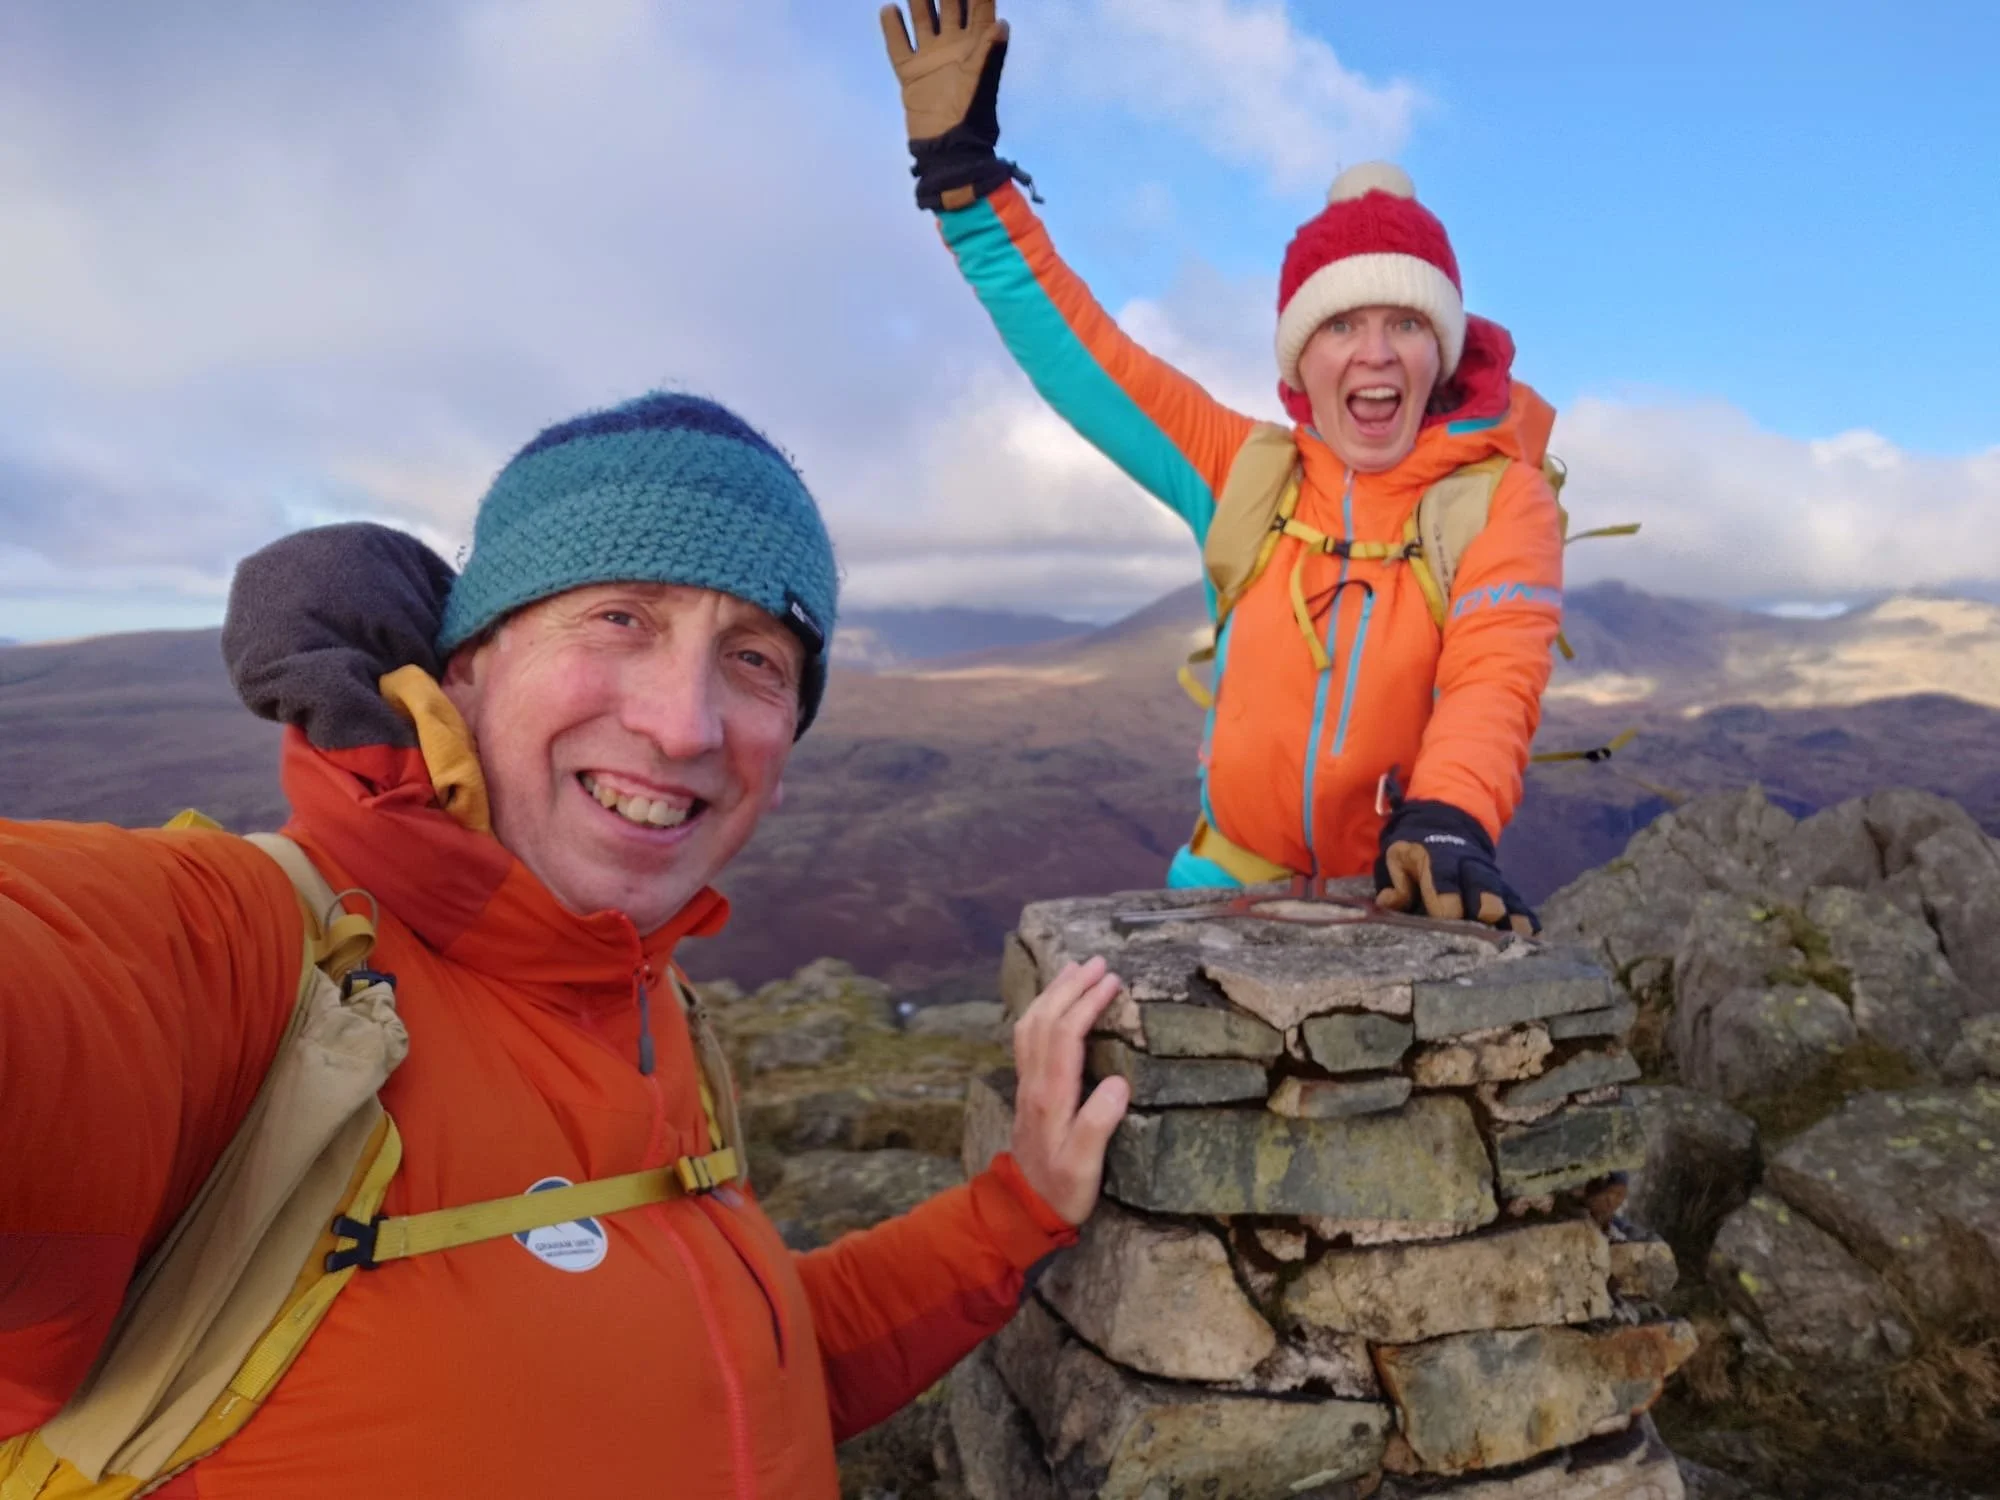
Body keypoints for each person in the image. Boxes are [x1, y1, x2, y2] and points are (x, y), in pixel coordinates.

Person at [0, 392, 1132, 1497]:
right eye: (620, 617)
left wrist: (1015, 1208)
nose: (681, 725)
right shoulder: (236, 958)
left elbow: (742, 1375)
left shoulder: (649, 1006)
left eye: (756, 659)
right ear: (467, 668)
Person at [880, 1, 1564, 932]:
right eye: (1341, 323)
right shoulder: (1245, 471)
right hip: (1218, 892)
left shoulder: (1499, 501)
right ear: (1300, 360)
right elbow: (1087, 359)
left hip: (1397, 894)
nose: (1375, 354)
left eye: (1406, 322)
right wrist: (965, 188)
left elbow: (1496, 677)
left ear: (1440, 353)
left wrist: (1448, 815)